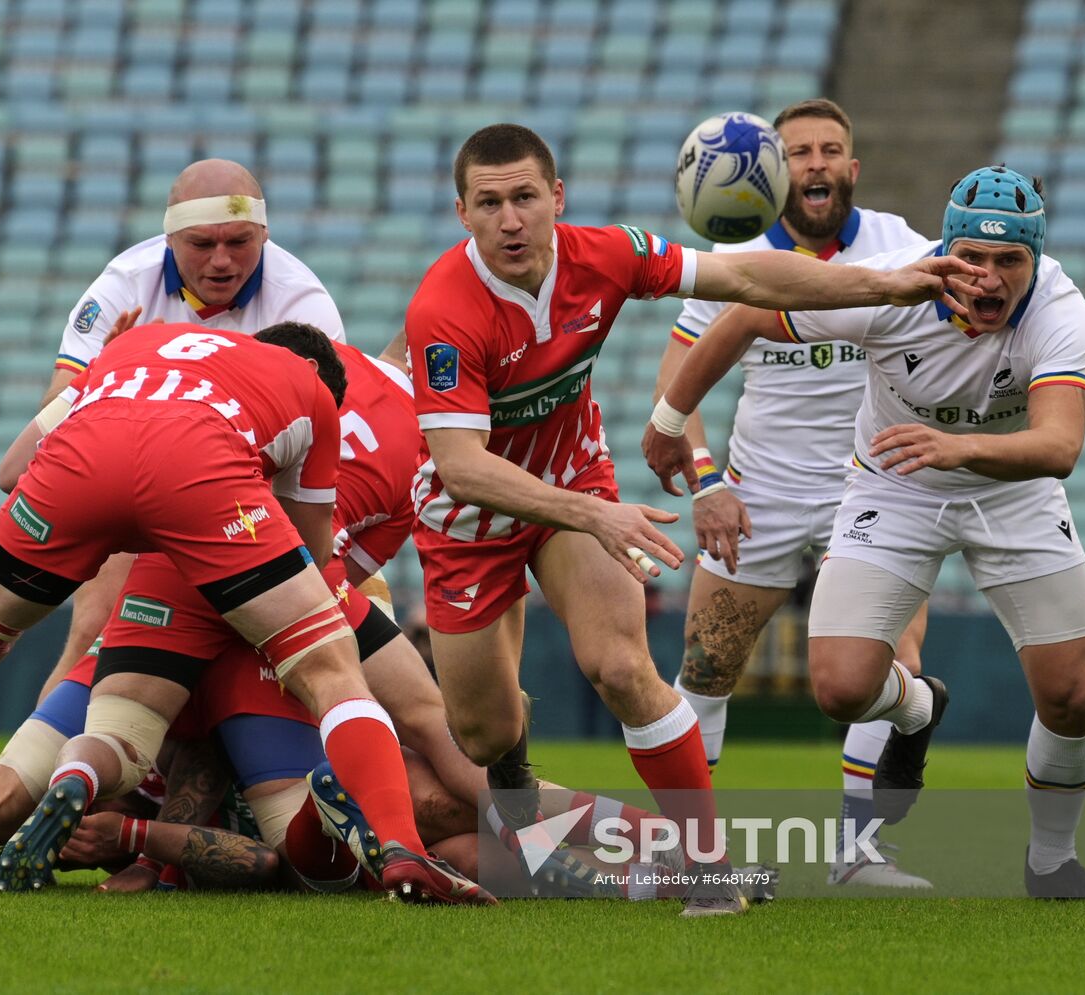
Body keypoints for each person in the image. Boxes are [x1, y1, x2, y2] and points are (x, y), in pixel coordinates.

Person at [402, 122, 983, 916]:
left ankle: (707, 874)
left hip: (575, 483)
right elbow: (464, 467)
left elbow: (748, 278)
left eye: (526, 198)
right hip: (470, 523)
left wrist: (886, 286)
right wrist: (595, 515)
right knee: (482, 732)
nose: (511, 219)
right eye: (490, 202)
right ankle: (518, 799)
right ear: (462, 211)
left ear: (556, 198)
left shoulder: (603, 254)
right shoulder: (444, 308)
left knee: (622, 667)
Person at [0, 321, 489, 906]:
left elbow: (13, 470)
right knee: (334, 688)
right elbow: (314, 557)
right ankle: (399, 846)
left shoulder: (139, 343)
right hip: (216, 539)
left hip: (109, 528)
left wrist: (128, 528)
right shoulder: (315, 398)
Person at [646, 165, 1085, 900]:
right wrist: (671, 422)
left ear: (1036, 258)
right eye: (973, 258)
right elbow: (742, 313)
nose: (988, 279)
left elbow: (1058, 446)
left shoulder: (1060, 309)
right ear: (946, 248)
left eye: (1009, 262)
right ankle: (919, 705)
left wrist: (957, 448)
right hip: (895, 486)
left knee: (1069, 695)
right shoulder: (892, 284)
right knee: (839, 687)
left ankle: (1052, 862)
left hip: (1014, 489)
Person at [645, 99, 933, 888]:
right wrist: (704, 481)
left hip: (871, 487)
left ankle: (861, 855)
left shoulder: (896, 242)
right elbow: (680, 382)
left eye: (829, 149)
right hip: (758, 491)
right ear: (775, 168)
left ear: (852, 168)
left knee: (885, 663)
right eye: (798, 150)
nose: (814, 162)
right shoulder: (731, 256)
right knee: (705, 668)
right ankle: (690, 858)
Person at [35, 158, 347, 716]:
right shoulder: (122, 286)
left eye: (239, 241)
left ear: (265, 234)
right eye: (202, 243)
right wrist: (106, 371)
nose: (222, 260)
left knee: (321, 635)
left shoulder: (303, 304)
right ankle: (34, 788)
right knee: (94, 631)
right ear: (170, 239)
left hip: (239, 496)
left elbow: (315, 444)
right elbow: (56, 421)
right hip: (132, 476)